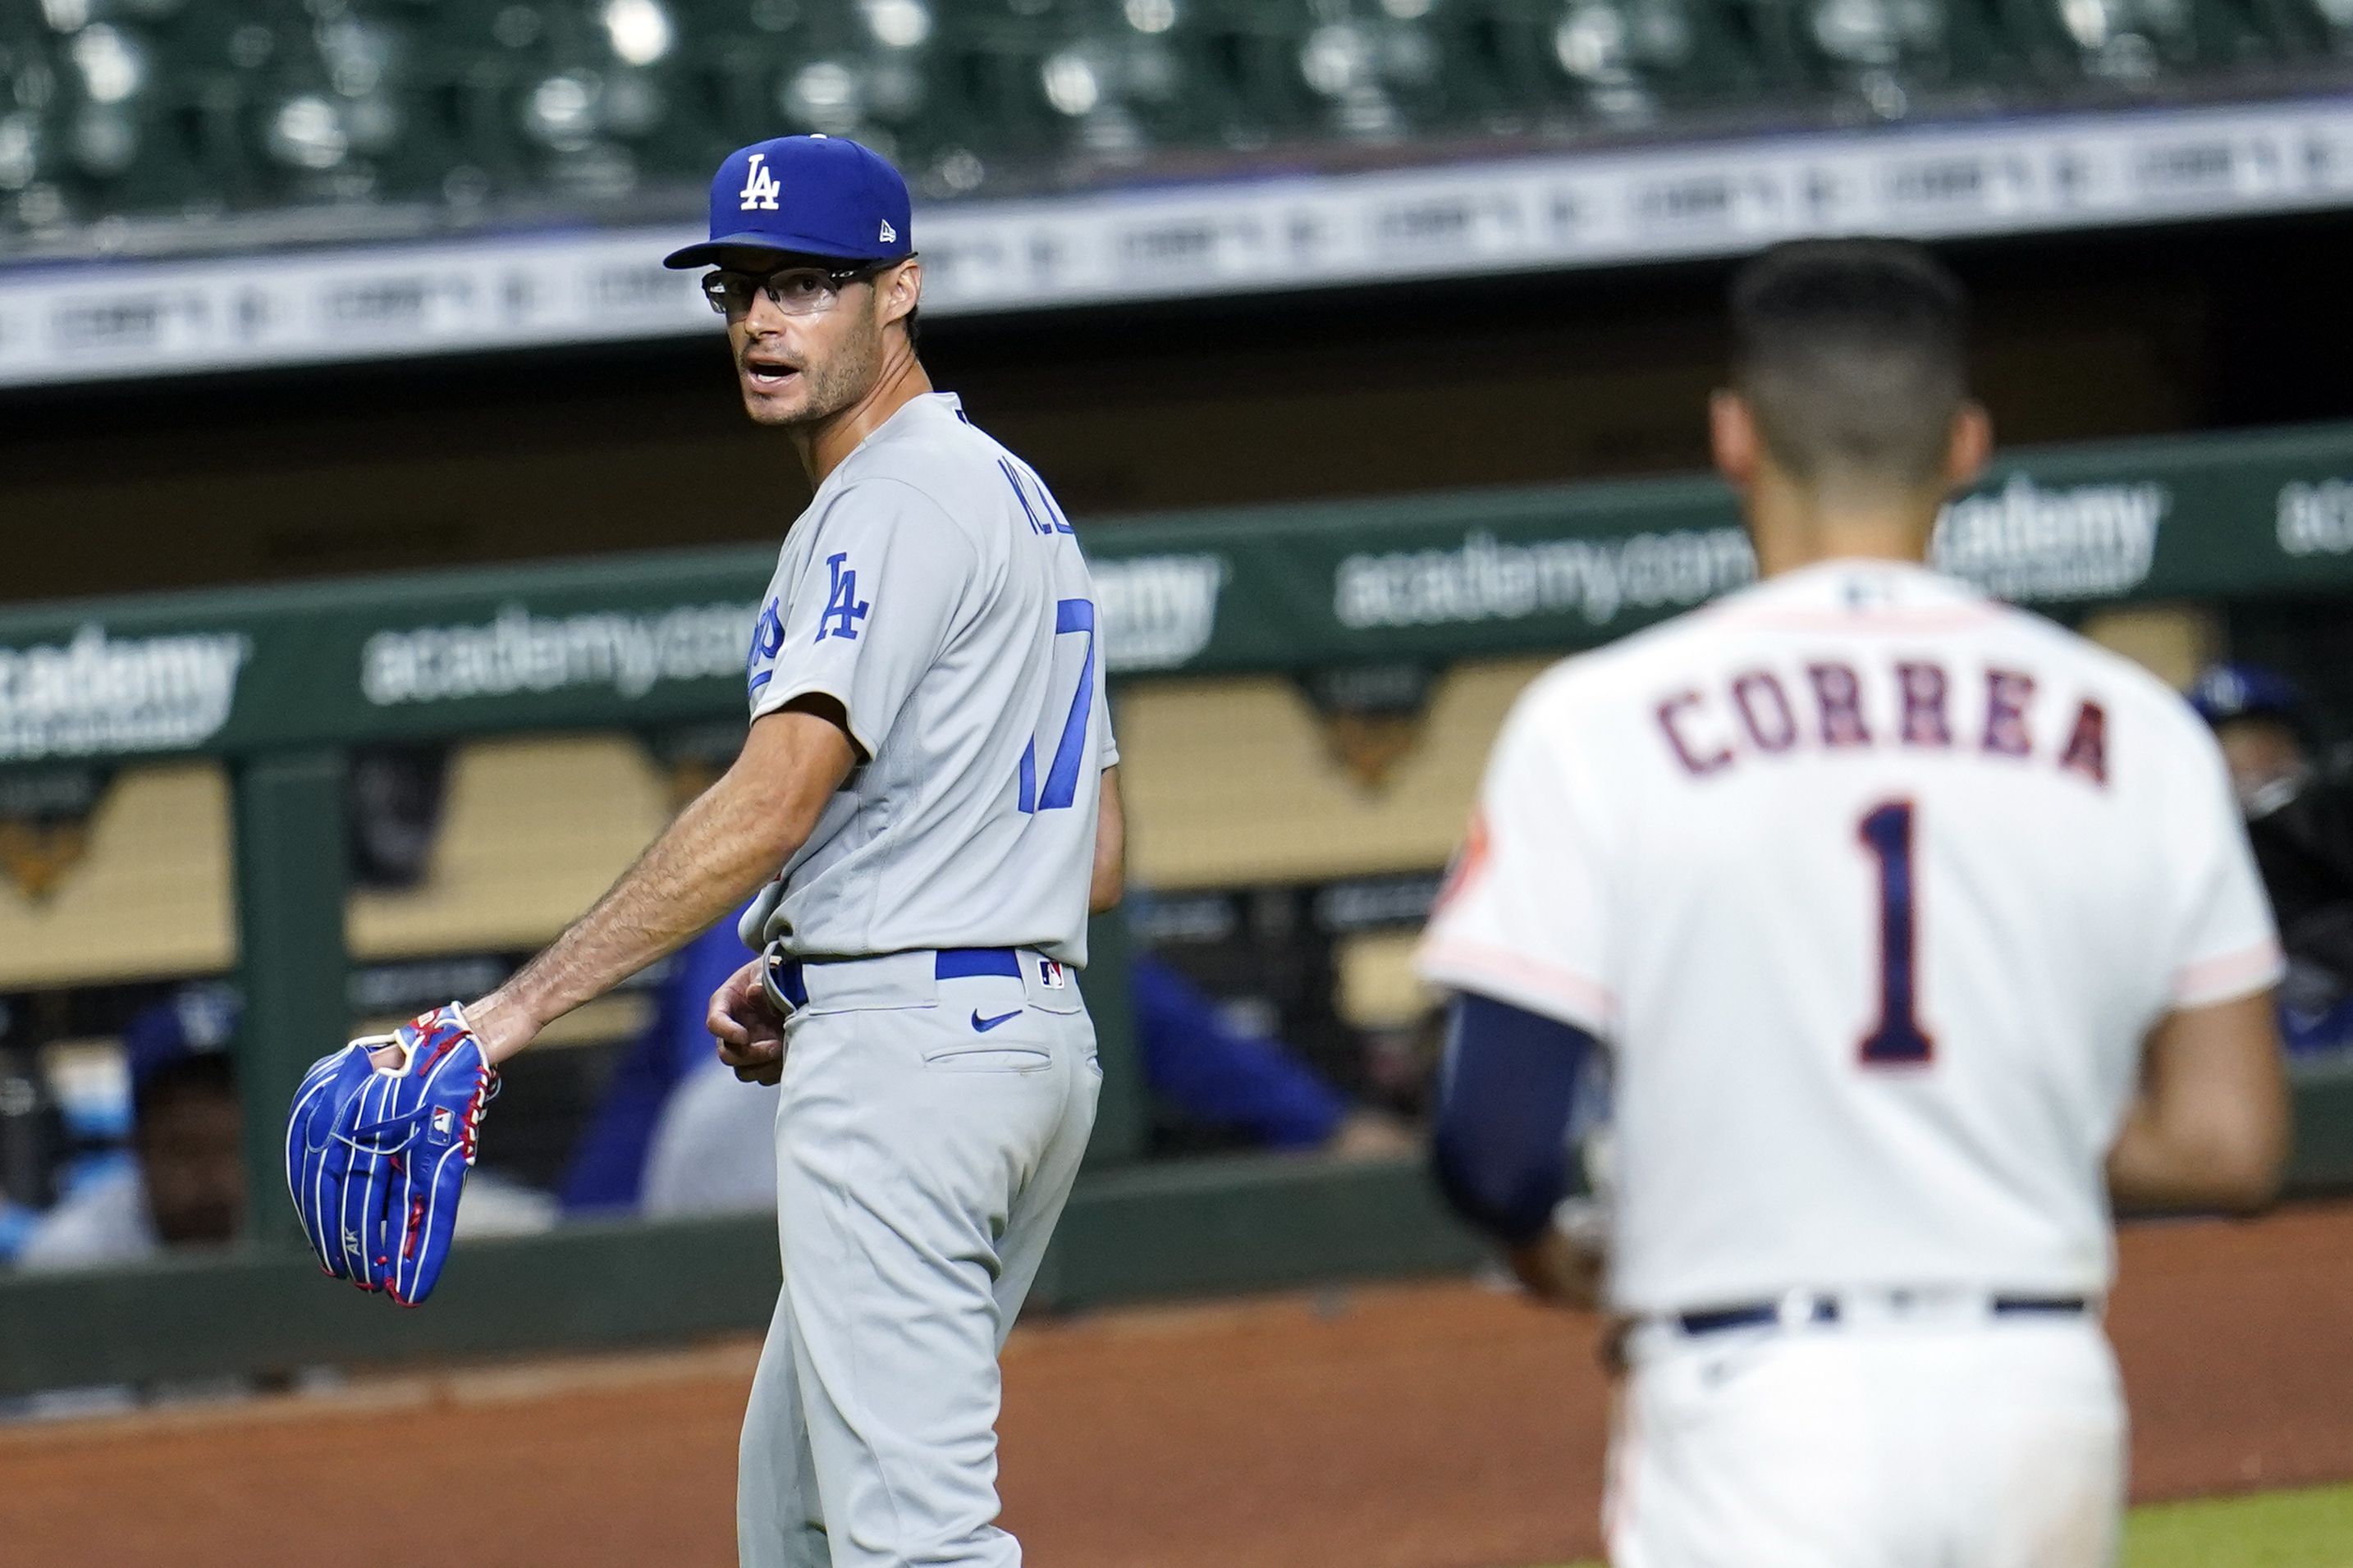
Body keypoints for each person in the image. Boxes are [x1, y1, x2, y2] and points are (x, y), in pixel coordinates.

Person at [1417, 240, 2288, 1567]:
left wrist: (1559, 1257)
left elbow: (1494, 1149)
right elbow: (2229, 1144)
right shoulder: (2134, 726)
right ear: (1967, 442)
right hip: (2034, 1396)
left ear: (1730, 434)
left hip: (1756, 1394)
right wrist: (1981, 1115)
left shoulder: (1596, 721)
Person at [441, 135, 1121, 1568]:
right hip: (1017, 1043)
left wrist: (511, 1013)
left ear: (900, 290)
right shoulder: (1012, 493)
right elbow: (1094, 851)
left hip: (914, 1070)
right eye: (738, 288)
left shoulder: (884, 499)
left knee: (914, 1545)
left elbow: (771, 800)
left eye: (807, 285)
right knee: (797, 1512)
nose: (761, 321)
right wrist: (814, 960)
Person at [2189, 661, 2353, 1054]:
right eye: (2226, 754)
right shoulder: (2176, 866)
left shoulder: (2329, 834)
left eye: (2266, 747)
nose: (2249, 769)